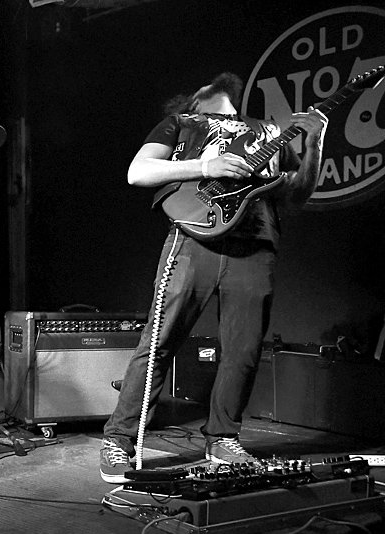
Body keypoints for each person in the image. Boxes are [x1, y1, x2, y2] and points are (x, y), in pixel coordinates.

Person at [100, 72, 327, 483]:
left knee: (243, 349)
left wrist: (315, 144)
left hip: (256, 243)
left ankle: (223, 438)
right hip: (193, 238)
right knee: (159, 341)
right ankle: (119, 439)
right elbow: (138, 171)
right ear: (193, 100)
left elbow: (297, 195)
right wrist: (208, 164)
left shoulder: (270, 132)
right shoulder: (183, 123)